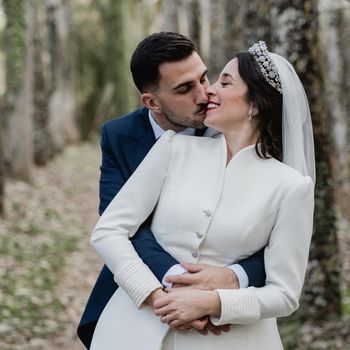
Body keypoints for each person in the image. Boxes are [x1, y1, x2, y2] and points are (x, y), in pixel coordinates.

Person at [89, 40, 315, 349]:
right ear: (151, 101)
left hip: (230, 339)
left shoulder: (291, 186)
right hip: (137, 328)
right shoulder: (172, 147)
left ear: (254, 105)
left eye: (223, 81)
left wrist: (215, 302)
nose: (207, 91)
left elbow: (286, 293)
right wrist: (156, 297)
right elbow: (110, 229)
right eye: (186, 88)